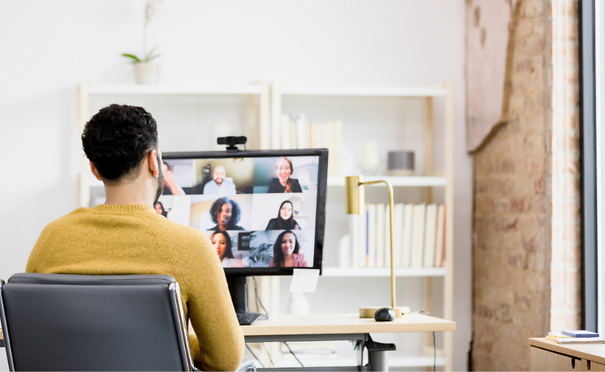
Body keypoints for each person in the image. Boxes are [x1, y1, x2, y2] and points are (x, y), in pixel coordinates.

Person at [25, 104, 243, 371]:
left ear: (95, 169)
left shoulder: (52, 237)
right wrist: (172, 338)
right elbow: (225, 361)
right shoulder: (192, 246)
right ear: (154, 161)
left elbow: (34, 339)